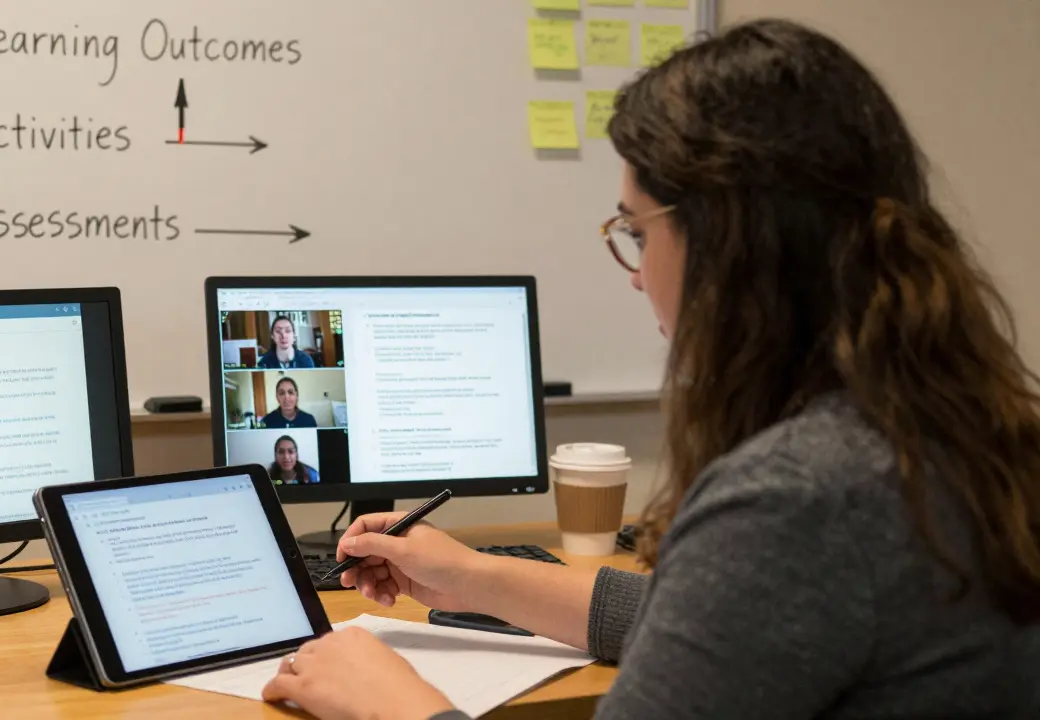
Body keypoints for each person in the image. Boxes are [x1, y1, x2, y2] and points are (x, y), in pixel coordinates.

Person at [258, 19, 1040, 720]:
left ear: (728, 241)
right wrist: (472, 576)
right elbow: (713, 620)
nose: (634, 273)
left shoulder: (798, 497)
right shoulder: (954, 432)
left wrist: (388, 701)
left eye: (635, 232)